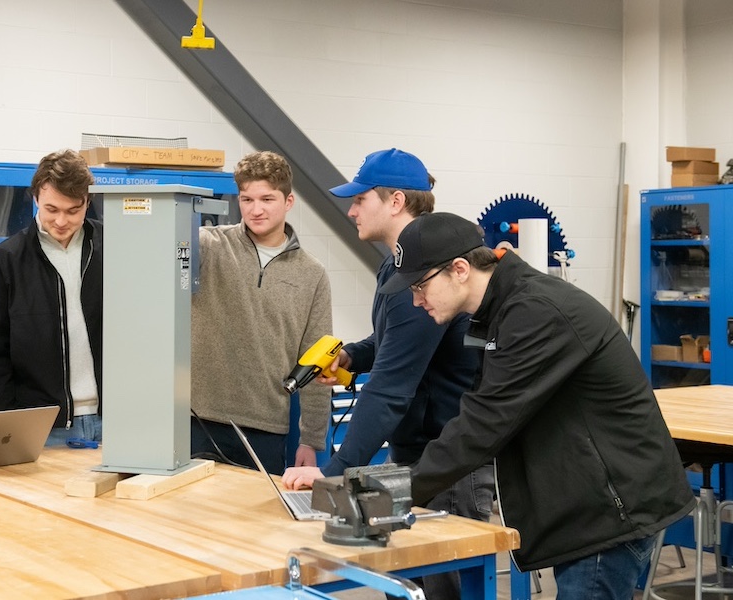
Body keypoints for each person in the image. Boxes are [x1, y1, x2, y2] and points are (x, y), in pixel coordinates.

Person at [388, 212, 695, 599]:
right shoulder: (499, 312)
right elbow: (480, 409)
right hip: (588, 507)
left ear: (460, 269)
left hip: (609, 513)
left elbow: (485, 423)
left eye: (419, 285)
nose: (416, 300)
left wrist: (394, 493)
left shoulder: (535, 311)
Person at [281, 148, 493, 600]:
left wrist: (333, 475)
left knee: (442, 588)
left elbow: (391, 390)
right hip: (417, 450)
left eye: (360, 200)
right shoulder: (397, 266)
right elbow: (397, 342)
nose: (352, 209)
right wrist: (353, 357)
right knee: (408, 584)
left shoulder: (420, 273)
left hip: (447, 459)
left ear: (395, 201)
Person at [191, 150, 332, 475]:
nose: (256, 210)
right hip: (198, 421)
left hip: (265, 428)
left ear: (288, 201)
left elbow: (316, 361)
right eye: (247, 199)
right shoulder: (208, 246)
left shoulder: (312, 274)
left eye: (267, 199)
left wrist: (311, 440)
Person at [0, 148, 103, 445]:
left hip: (115, 420)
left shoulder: (114, 248)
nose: (61, 221)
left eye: (73, 210)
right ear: (35, 199)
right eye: (51, 209)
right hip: (42, 428)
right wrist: (11, 423)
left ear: (87, 202)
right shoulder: (6, 260)